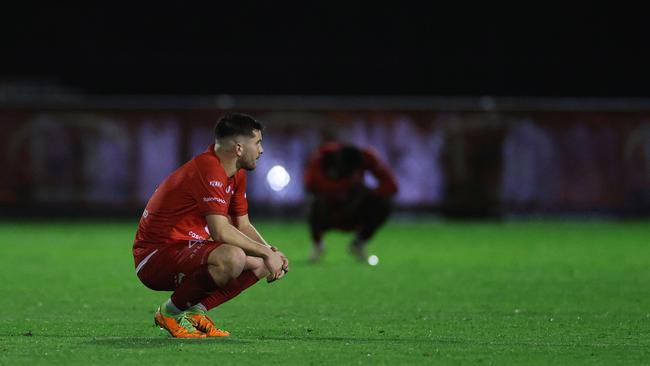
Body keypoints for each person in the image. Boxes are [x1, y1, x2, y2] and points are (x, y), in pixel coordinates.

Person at [132, 113, 289, 339]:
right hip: (154, 256)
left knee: (260, 263)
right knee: (232, 256)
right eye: (257, 143)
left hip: (186, 250)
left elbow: (243, 225)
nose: (261, 150)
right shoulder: (208, 169)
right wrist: (266, 252)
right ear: (238, 148)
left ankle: (196, 312)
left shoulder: (236, 173)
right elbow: (220, 231)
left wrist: (270, 252)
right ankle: (169, 313)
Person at [304, 141, 398, 263]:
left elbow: (392, 186)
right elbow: (309, 184)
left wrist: (368, 192)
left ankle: (358, 243)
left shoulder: (367, 157)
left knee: (384, 203)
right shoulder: (323, 156)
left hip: (355, 209)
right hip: (330, 209)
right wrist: (344, 186)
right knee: (315, 201)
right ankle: (318, 244)